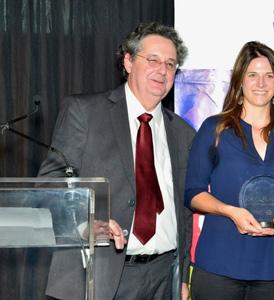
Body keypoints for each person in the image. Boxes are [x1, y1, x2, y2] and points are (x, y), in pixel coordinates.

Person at [38, 22, 195, 299]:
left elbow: (183, 210)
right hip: (100, 272)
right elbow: (52, 184)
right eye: (153, 60)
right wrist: (86, 224)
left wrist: (181, 276)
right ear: (128, 61)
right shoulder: (85, 112)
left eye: (171, 64)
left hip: (162, 276)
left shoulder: (183, 133)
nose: (162, 70)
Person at [184, 41, 274, 300]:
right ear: (240, 81)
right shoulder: (215, 129)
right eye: (252, 75)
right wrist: (230, 211)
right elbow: (193, 193)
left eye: (268, 75)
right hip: (219, 265)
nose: (260, 83)